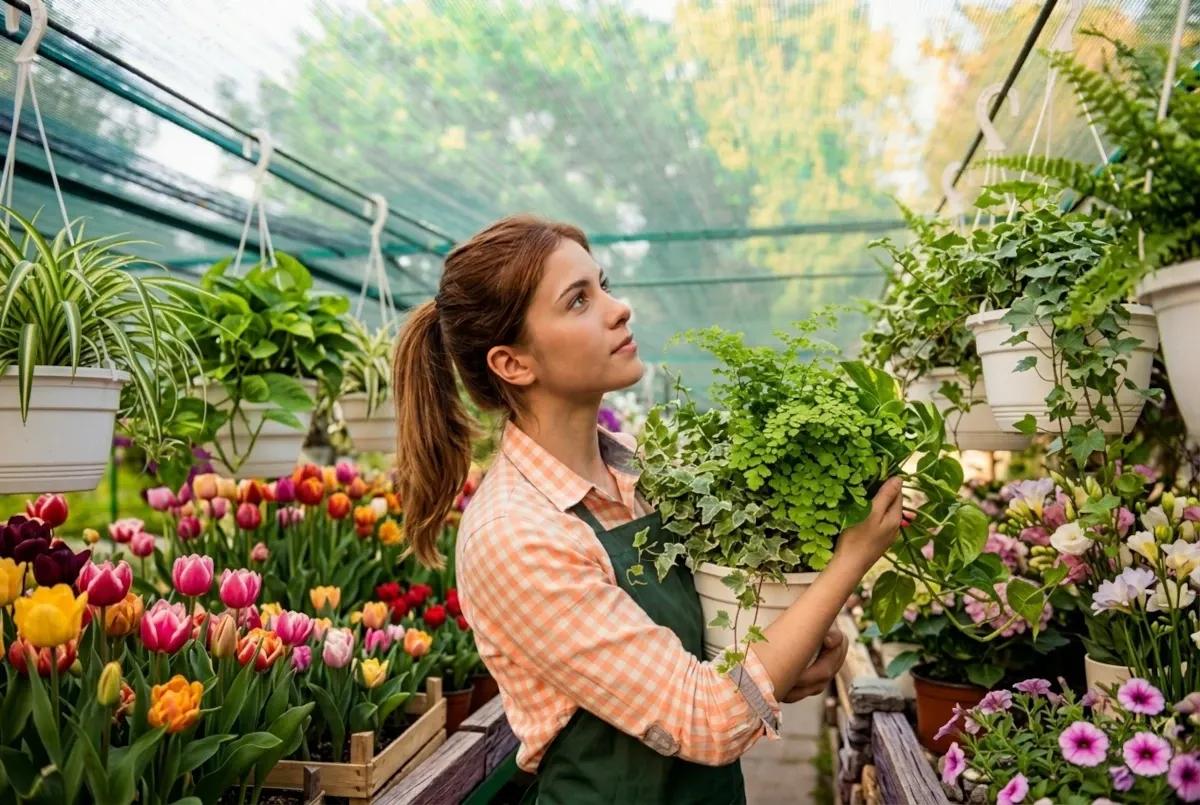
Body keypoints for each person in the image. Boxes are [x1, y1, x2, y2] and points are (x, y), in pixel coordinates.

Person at [393, 215, 904, 805]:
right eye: (579, 301)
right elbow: (707, 720)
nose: (619, 308)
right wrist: (850, 563)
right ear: (513, 364)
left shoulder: (644, 472)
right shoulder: (516, 533)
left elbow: (711, 655)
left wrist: (795, 653)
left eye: (603, 284)